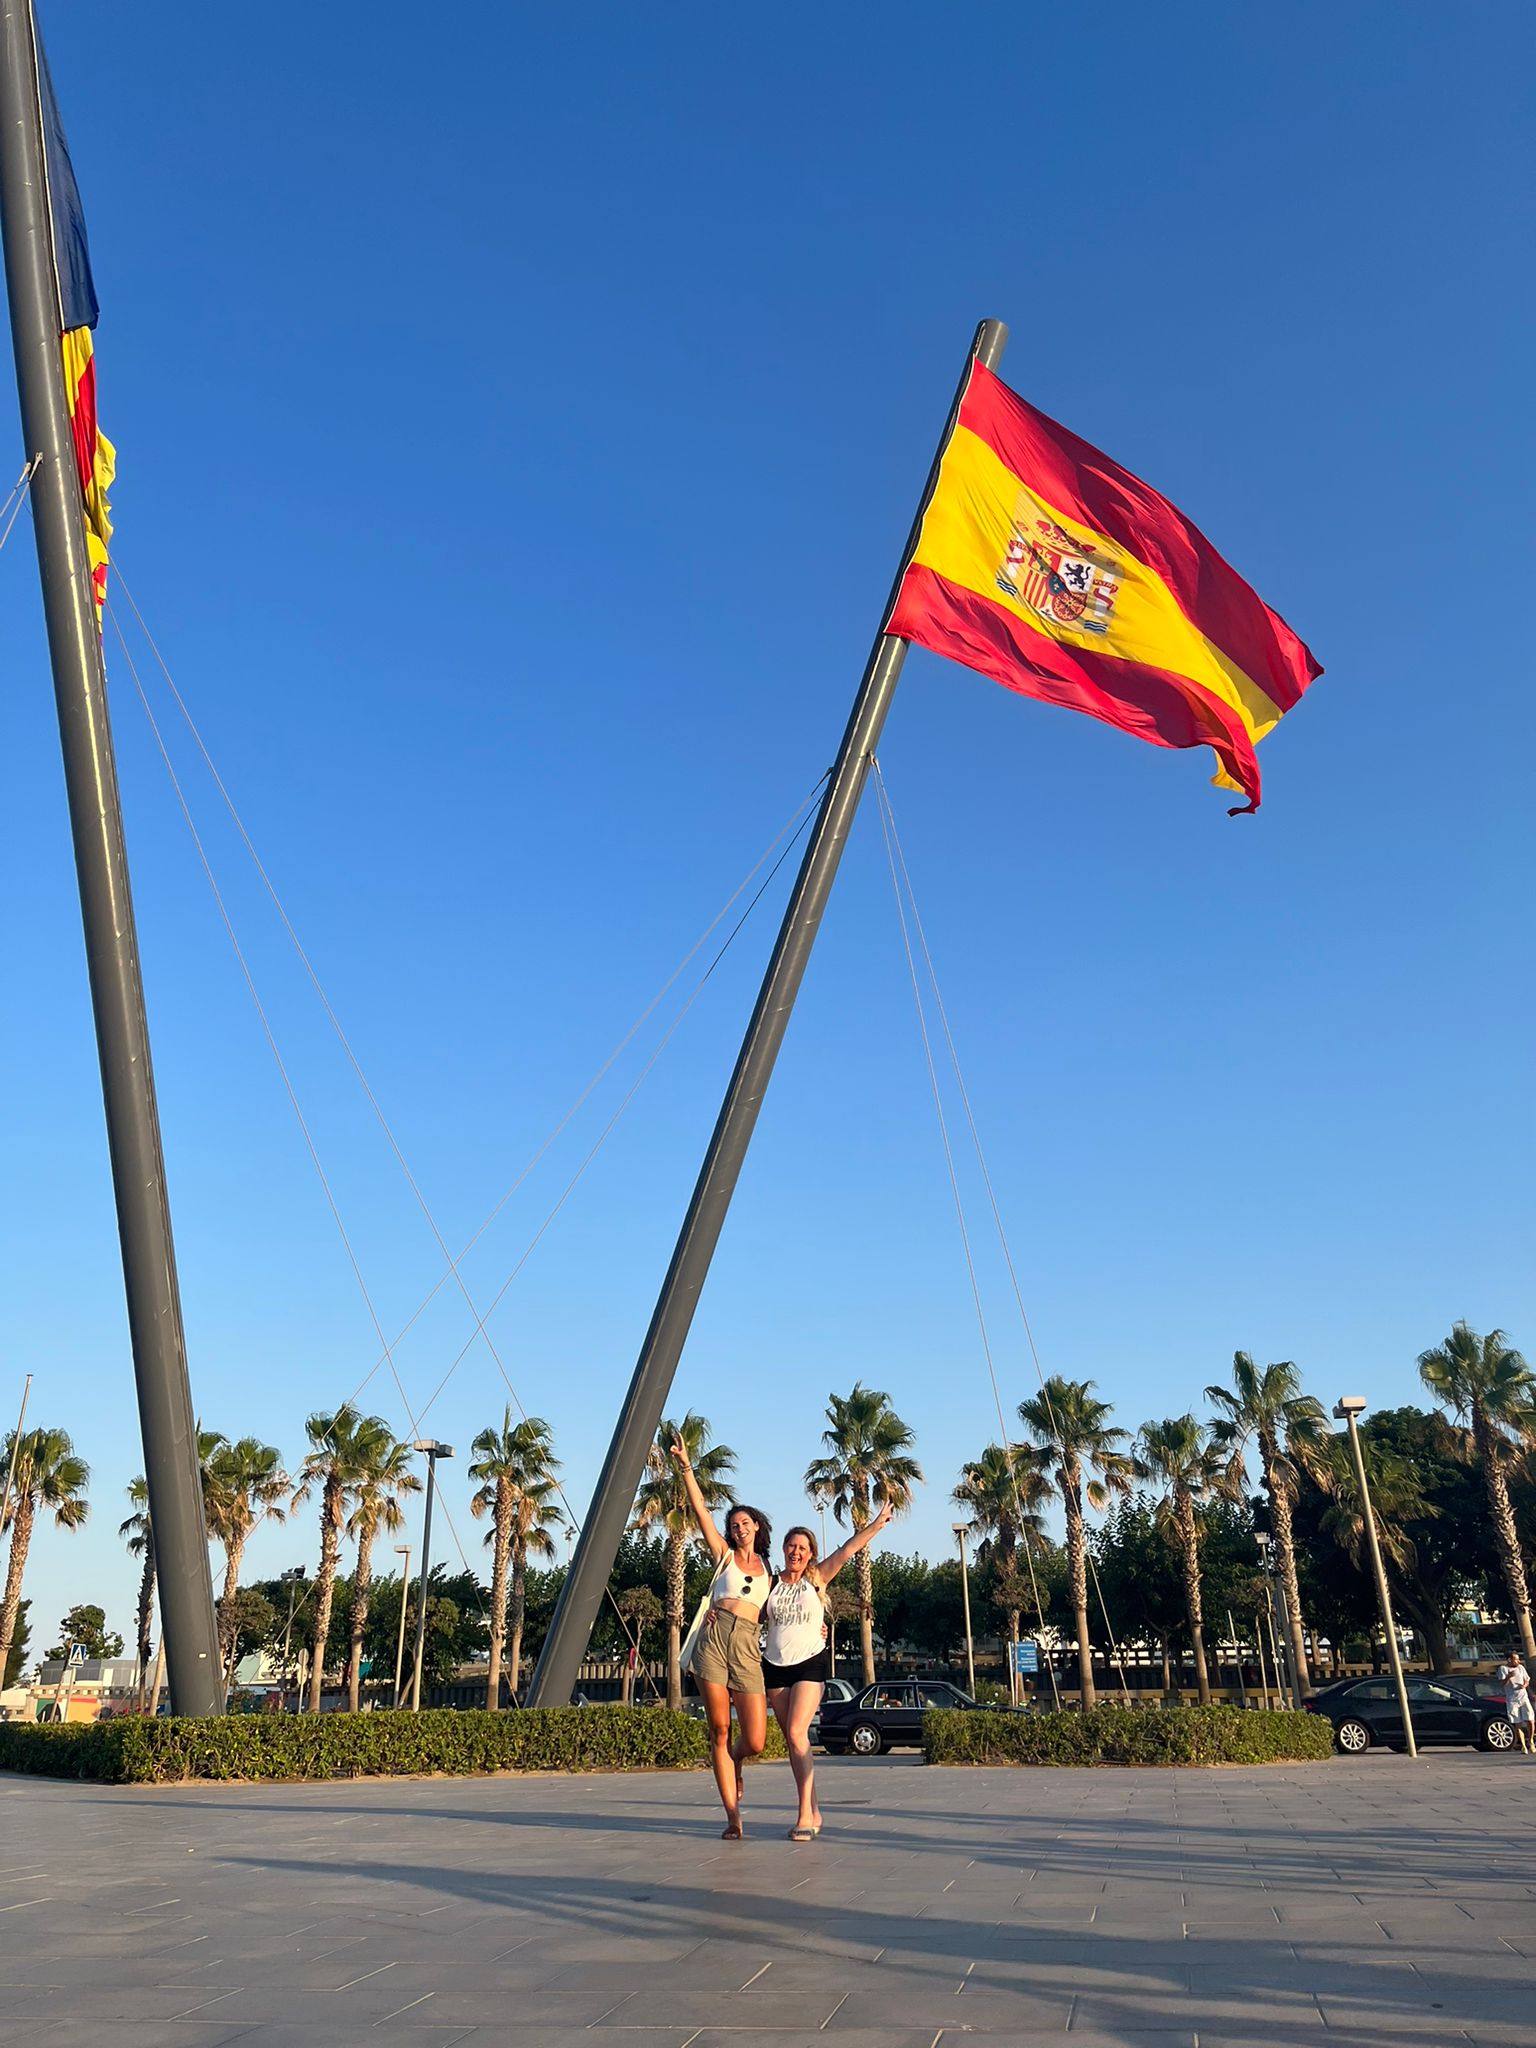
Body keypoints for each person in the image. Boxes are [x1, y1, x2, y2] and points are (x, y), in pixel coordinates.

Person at [764, 1499, 896, 1842]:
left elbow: (850, 1548)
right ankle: (815, 1808)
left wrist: (879, 1522)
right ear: (784, 1549)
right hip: (775, 1666)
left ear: (810, 1554)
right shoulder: (770, 1583)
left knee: (796, 1734)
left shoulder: (818, 1578)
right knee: (795, 1745)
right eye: (791, 1546)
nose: (796, 1552)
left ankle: (804, 1813)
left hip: (810, 1662)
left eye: (803, 1548)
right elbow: (745, 1609)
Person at [670, 1435, 772, 1838]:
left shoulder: (771, 1569)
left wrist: (818, 1625)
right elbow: (699, 1511)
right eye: (734, 1525)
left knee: (757, 1740)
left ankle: (735, 1761)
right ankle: (733, 1817)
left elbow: (789, 1606)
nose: (739, 1528)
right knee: (719, 1728)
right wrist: (686, 1466)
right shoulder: (724, 1555)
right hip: (714, 1641)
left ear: (757, 1527)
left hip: (747, 1645)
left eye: (745, 1523)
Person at [1497, 1650, 1532, 1754]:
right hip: (1512, 1699)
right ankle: (1523, 1745)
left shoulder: (1521, 1668)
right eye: (1516, 1659)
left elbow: (1527, 1679)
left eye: (1518, 1659)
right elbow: (1502, 1683)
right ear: (1509, 1660)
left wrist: (1524, 1685)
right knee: (1518, 1722)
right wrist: (1509, 1676)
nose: (1518, 1661)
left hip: (1523, 1696)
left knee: (1530, 1719)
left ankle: (1530, 1741)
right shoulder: (1503, 1669)